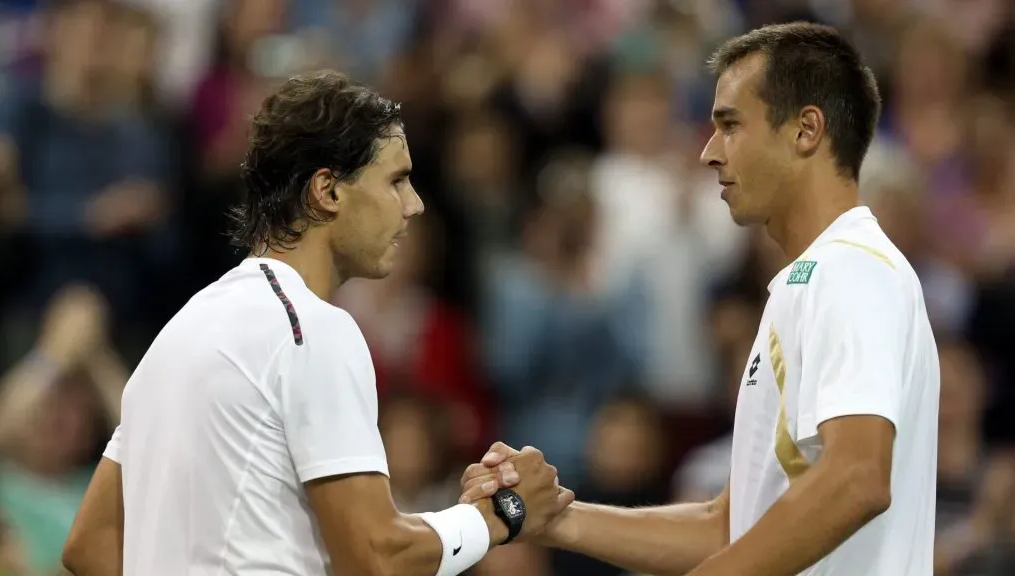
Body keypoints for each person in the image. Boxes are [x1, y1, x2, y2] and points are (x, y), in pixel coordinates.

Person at [462, 21, 940, 576]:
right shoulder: (812, 279)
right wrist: (553, 519)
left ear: (806, 130)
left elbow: (858, 477)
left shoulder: (850, 268)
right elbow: (727, 529)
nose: (708, 153)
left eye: (730, 125)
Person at [62, 70, 572, 575]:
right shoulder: (309, 330)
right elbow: (375, 556)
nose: (414, 205)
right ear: (327, 191)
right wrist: (499, 516)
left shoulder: (179, 330)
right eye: (396, 180)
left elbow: (89, 545)